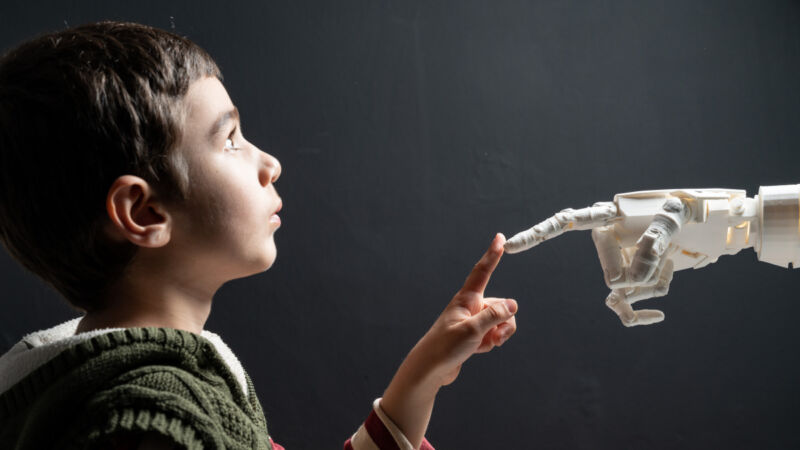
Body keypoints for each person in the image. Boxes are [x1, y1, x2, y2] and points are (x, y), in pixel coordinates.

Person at [0, 21, 518, 449]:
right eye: (230, 140)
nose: (269, 163)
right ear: (144, 212)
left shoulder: (131, 381)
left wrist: (421, 378)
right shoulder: (150, 421)